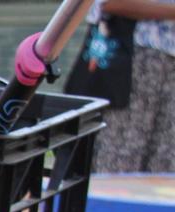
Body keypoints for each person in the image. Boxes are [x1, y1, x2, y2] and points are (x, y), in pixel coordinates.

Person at [66, 0, 175, 172]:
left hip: (165, 64)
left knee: (165, 162)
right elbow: (108, 3)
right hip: (134, 58)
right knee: (120, 156)